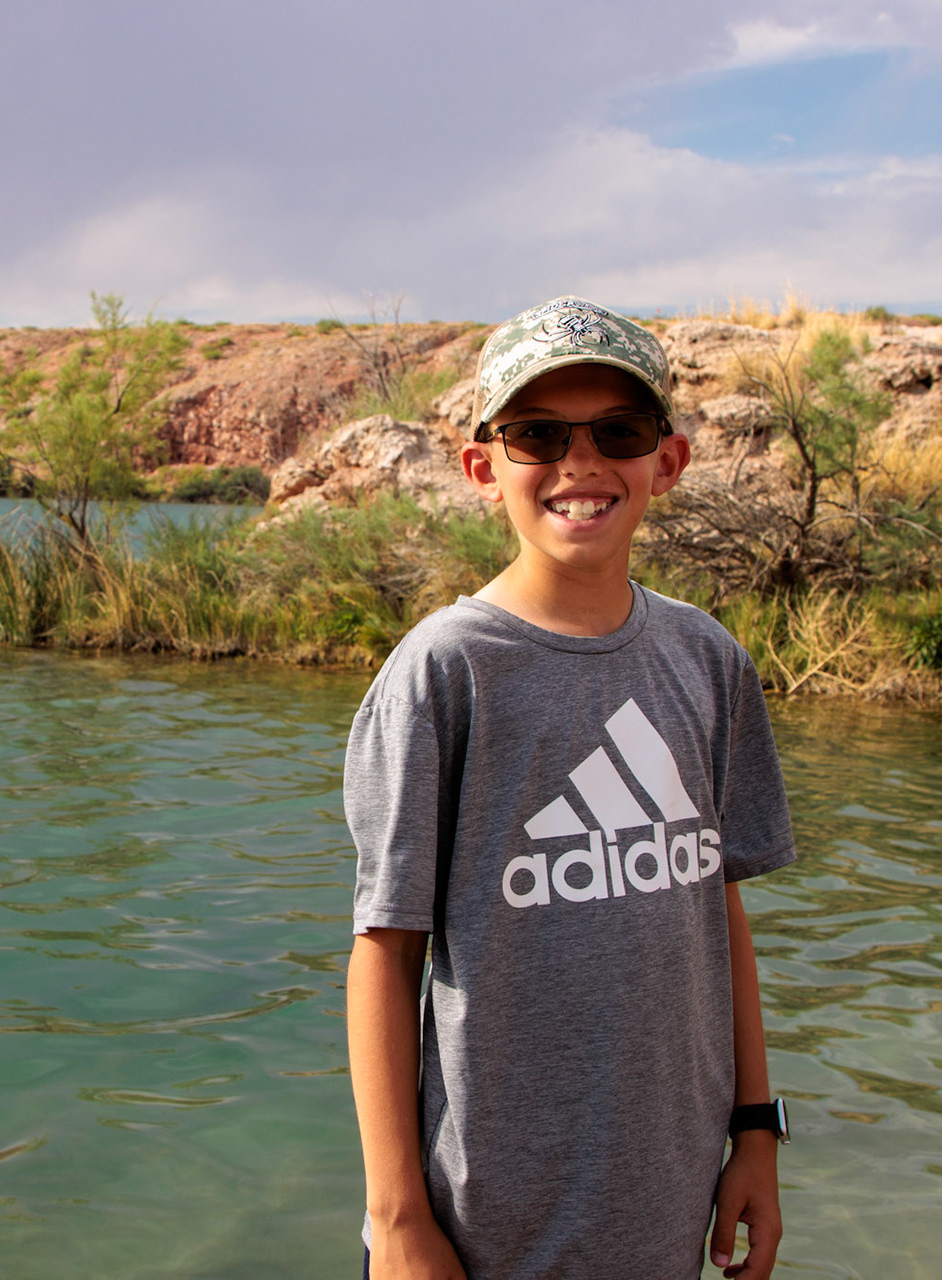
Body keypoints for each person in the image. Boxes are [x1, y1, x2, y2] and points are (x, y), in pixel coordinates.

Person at [344, 296, 796, 1280]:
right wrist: (399, 1219)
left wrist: (755, 1127)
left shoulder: (708, 660)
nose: (580, 464)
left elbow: (718, 905)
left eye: (618, 432)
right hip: (484, 1218)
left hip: (666, 1201)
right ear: (482, 467)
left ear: (665, 462)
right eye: (538, 435)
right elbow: (386, 947)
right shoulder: (444, 673)